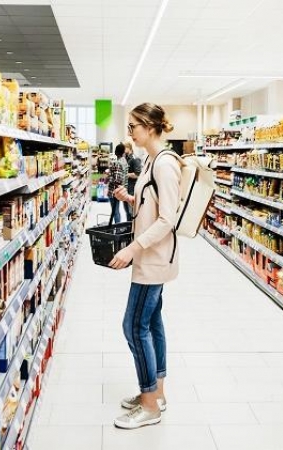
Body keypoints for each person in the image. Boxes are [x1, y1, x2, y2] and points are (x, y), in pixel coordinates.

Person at [109, 103, 180, 430]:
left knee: (133, 326)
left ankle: (149, 404)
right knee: (151, 322)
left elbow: (168, 218)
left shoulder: (165, 164)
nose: (130, 133)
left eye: (134, 126)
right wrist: (129, 200)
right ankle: (158, 394)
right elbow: (153, 206)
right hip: (151, 256)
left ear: (150, 127)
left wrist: (132, 248)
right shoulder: (153, 160)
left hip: (152, 258)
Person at [107, 144, 128, 225]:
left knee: (115, 212)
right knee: (116, 211)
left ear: (116, 152)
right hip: (121, 189)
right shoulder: (124, 161)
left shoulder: (118, 163)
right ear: (123, 152)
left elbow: (117, 180)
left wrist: (108, 176)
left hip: (114, 191)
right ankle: (116, 227)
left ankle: (117, 229)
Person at [123, 142, 141, 221]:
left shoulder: (135, 158)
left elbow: (137, 174)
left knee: (131, 212)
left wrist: (126, 174)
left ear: (129, 148)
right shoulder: (126, 158)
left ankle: (132, 230)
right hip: (126, 189)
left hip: (131, 189)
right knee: (126, 211)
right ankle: (128, 229)